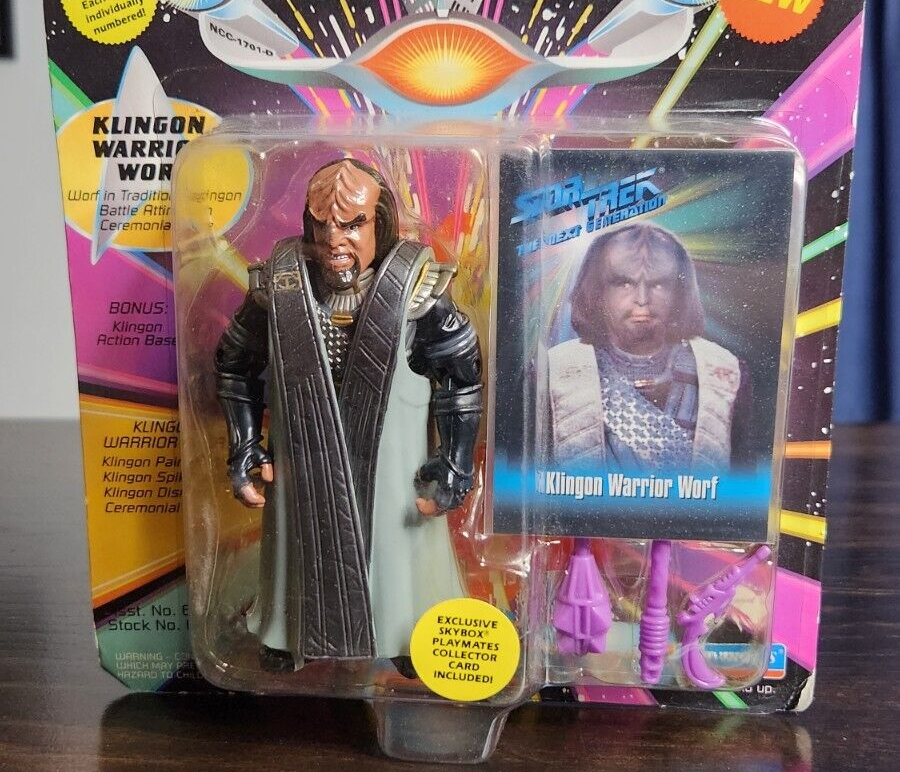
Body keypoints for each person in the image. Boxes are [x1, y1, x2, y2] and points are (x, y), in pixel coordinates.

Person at [215, 157, 482, 671]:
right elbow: (234, 366)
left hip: (393, 463)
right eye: (323, 225)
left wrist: (454, 463)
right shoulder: (280, 286)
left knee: (397, 551)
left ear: (379, 223)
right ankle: (288, 634)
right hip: (301, 457)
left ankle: (410, 636)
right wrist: (245, 447)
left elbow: (461, 379)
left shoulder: (418, 291)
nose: (335, 240)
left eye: (353, 224)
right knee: (297, 547)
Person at [547, 223, 749, 471]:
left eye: (658, 284)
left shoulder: (726, 374)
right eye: (624, 283)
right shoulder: (551, 373)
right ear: (597, 291)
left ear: (679, 292)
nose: (642, 299)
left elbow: (745, 483)